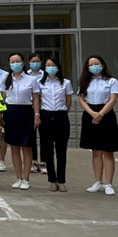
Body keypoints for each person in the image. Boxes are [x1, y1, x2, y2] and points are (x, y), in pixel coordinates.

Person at [78, 55, 118, 196]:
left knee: (108, 151)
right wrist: (92, 113)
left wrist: (100, 114)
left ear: (102, 65)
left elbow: (112, 99)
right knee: (96, 151)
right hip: (90, 114)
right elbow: (81, 99)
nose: (94, 66)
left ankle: (109, 183)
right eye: (91, 64)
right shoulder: (85, 81)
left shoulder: (111, 81)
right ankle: (98, 181)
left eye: (96, 63)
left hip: (106, 115)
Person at [0, 53, 40, 190]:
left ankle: (26, 178)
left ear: (23, 63)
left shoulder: (31, 80)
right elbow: (2, 97)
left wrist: (37, 114)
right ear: (9, 64)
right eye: (12, 62)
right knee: (14, 147)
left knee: (27, 147)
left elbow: (36, 98)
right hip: (11, 113)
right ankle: (18, 177)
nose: (15, 64)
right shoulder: (6, 79)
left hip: (26, 113)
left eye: (18, 61)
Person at [37, 57, 73, 192]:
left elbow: (68, 100)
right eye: (48, 65)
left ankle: (61, 180)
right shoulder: (40, 83)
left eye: (53, 65)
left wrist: (62, 112)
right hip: (45, 115)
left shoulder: (66, 82)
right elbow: (38, 100)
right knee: (48, 150)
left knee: (61, 150)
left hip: (61, 116)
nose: (50, 67)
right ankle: (52, 180)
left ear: (58, 67)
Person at [26, 52, 46, 174]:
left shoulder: (45, 75)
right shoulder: (26, 75)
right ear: (29, 62)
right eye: (33, 61)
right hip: (30, 107)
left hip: (44, 108)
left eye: (37, 61)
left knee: (44, 136)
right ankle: (33, 161)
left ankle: (43, 162)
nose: (35, 63)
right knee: (31, 136)